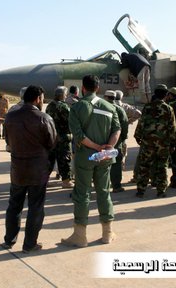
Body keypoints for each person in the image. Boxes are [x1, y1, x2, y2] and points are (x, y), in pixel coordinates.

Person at [61, 75, 121, 248]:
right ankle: (107, 233)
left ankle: (80, 236)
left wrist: (95, 147)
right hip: (105, 157)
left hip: (85, 157)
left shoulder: (77, 107)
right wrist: (107, 147)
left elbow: (78, 135)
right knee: (104, 192)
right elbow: (117, 129)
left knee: (82, 194)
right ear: (98, 88)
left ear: (83, 88)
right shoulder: (110, 106)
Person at [1, 85, 57, 253]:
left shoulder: (10, 117)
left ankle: (9, 239)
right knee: (36, 207)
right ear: (38, 99)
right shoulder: (44, 118)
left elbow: (7, 140)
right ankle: (30, 244)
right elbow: (52, 143)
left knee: (14, 205)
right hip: (38, 170)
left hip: (17, 168)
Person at [134, 84, 176, 199]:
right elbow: (172, 127)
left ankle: (141, 190)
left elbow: (141, 122)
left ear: (155, 93)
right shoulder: (168, 109)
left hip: (148, 143)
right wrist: (173, 143)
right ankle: (161, 191)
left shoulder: (147, 107)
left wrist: (137, 136)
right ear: (165, 95)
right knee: (162, 167)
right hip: (163, 143)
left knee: (144, 165)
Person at [45, 86, 73, 189]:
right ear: (62, 95)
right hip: (63, 138)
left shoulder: (49, 106)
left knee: (50, 159)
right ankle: (66, 181)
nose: (66, 96)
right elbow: (70, 121)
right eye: (65, 94)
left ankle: (45, 180)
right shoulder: (64, 107)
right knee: (65, 159)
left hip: (51, 138)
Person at [104, 90, 128, 193]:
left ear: (105, 97)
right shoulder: (120, 110)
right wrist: (122, 139)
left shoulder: (101, 107)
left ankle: (102, 185)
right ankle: (116, 186)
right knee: (116, 164)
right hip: (116, 141)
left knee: (102, 163)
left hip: (102, 141)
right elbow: (125, 125)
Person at [114, 89, 141, 173]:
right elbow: (138, 114)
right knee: (122, 154)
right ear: (121, 98)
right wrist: (128, 121)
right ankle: (120, 172)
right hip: (122, 135)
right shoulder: (125, 107)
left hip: (109, 135)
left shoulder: (109, 105)